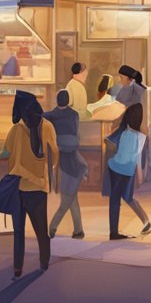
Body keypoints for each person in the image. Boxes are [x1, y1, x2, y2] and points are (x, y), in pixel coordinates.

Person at [1, 91, 58, 278]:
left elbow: (6, 152)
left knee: (19, 231)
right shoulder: (47, 126)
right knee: (41, 229)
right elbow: (55, 153)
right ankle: (44, 263)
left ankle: (18, 269)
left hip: (18, 187)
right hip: (39, 187)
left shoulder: (16, 130)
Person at [44, 89, 88, 240]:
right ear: (68, 101)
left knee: (67, 200)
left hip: (62, 162)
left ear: (57, 101)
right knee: (71, 198)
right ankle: (78, 230)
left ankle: (52, 227)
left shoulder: (50, 116)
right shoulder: (74, 115)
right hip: (75, 161)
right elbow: (77, 134)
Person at [106, 103, 151, 240]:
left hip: (117, 169)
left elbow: (119, 155)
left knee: (115, 200)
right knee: (127, 197)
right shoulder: (140, 135)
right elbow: (135, 158)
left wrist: (111, 160)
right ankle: (146, 221)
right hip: (128, 171)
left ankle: (114, 232)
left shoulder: (125, 133)